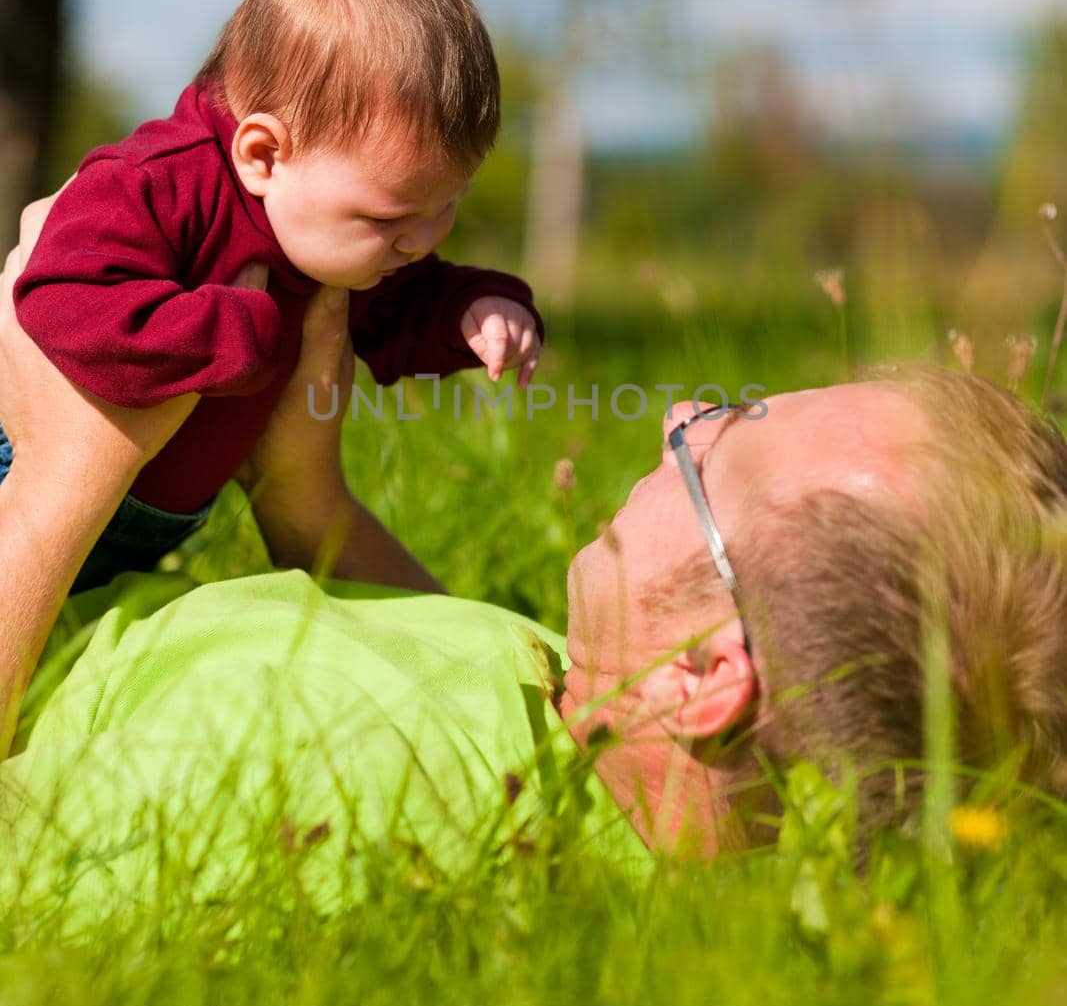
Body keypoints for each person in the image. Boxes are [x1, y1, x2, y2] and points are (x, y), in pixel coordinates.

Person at [3, 203, 1067, 919]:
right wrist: (305, 497)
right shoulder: (595, 752)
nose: (679, 414)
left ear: (702, 676)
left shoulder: (324, 783)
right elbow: (431, 655)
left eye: (721, 439)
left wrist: (57, 483)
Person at [2, 0, 543, 598]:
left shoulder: (333, 234)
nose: (420, 241)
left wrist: (476, 308)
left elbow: (406, 302)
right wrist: (231, 336)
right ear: (262, 156)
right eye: (388, 218)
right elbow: (62, 292)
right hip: (21, 475)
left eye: (446, 207)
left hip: (135, 524)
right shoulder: (157, 184)